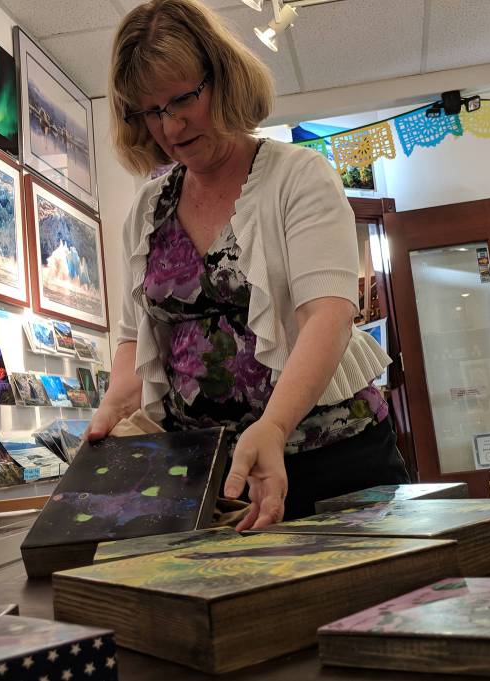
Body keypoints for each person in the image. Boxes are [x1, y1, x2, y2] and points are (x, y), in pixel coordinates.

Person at [88, 0, 408, 531]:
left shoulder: (298, 176)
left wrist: (276, 426)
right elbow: (132, 338)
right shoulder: (148, 209)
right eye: (150, 110)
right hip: (211, 473)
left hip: (331, 456)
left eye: (183, 98)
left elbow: (325, 314)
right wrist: (116, 409)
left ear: (223, 77)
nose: (170, 124)